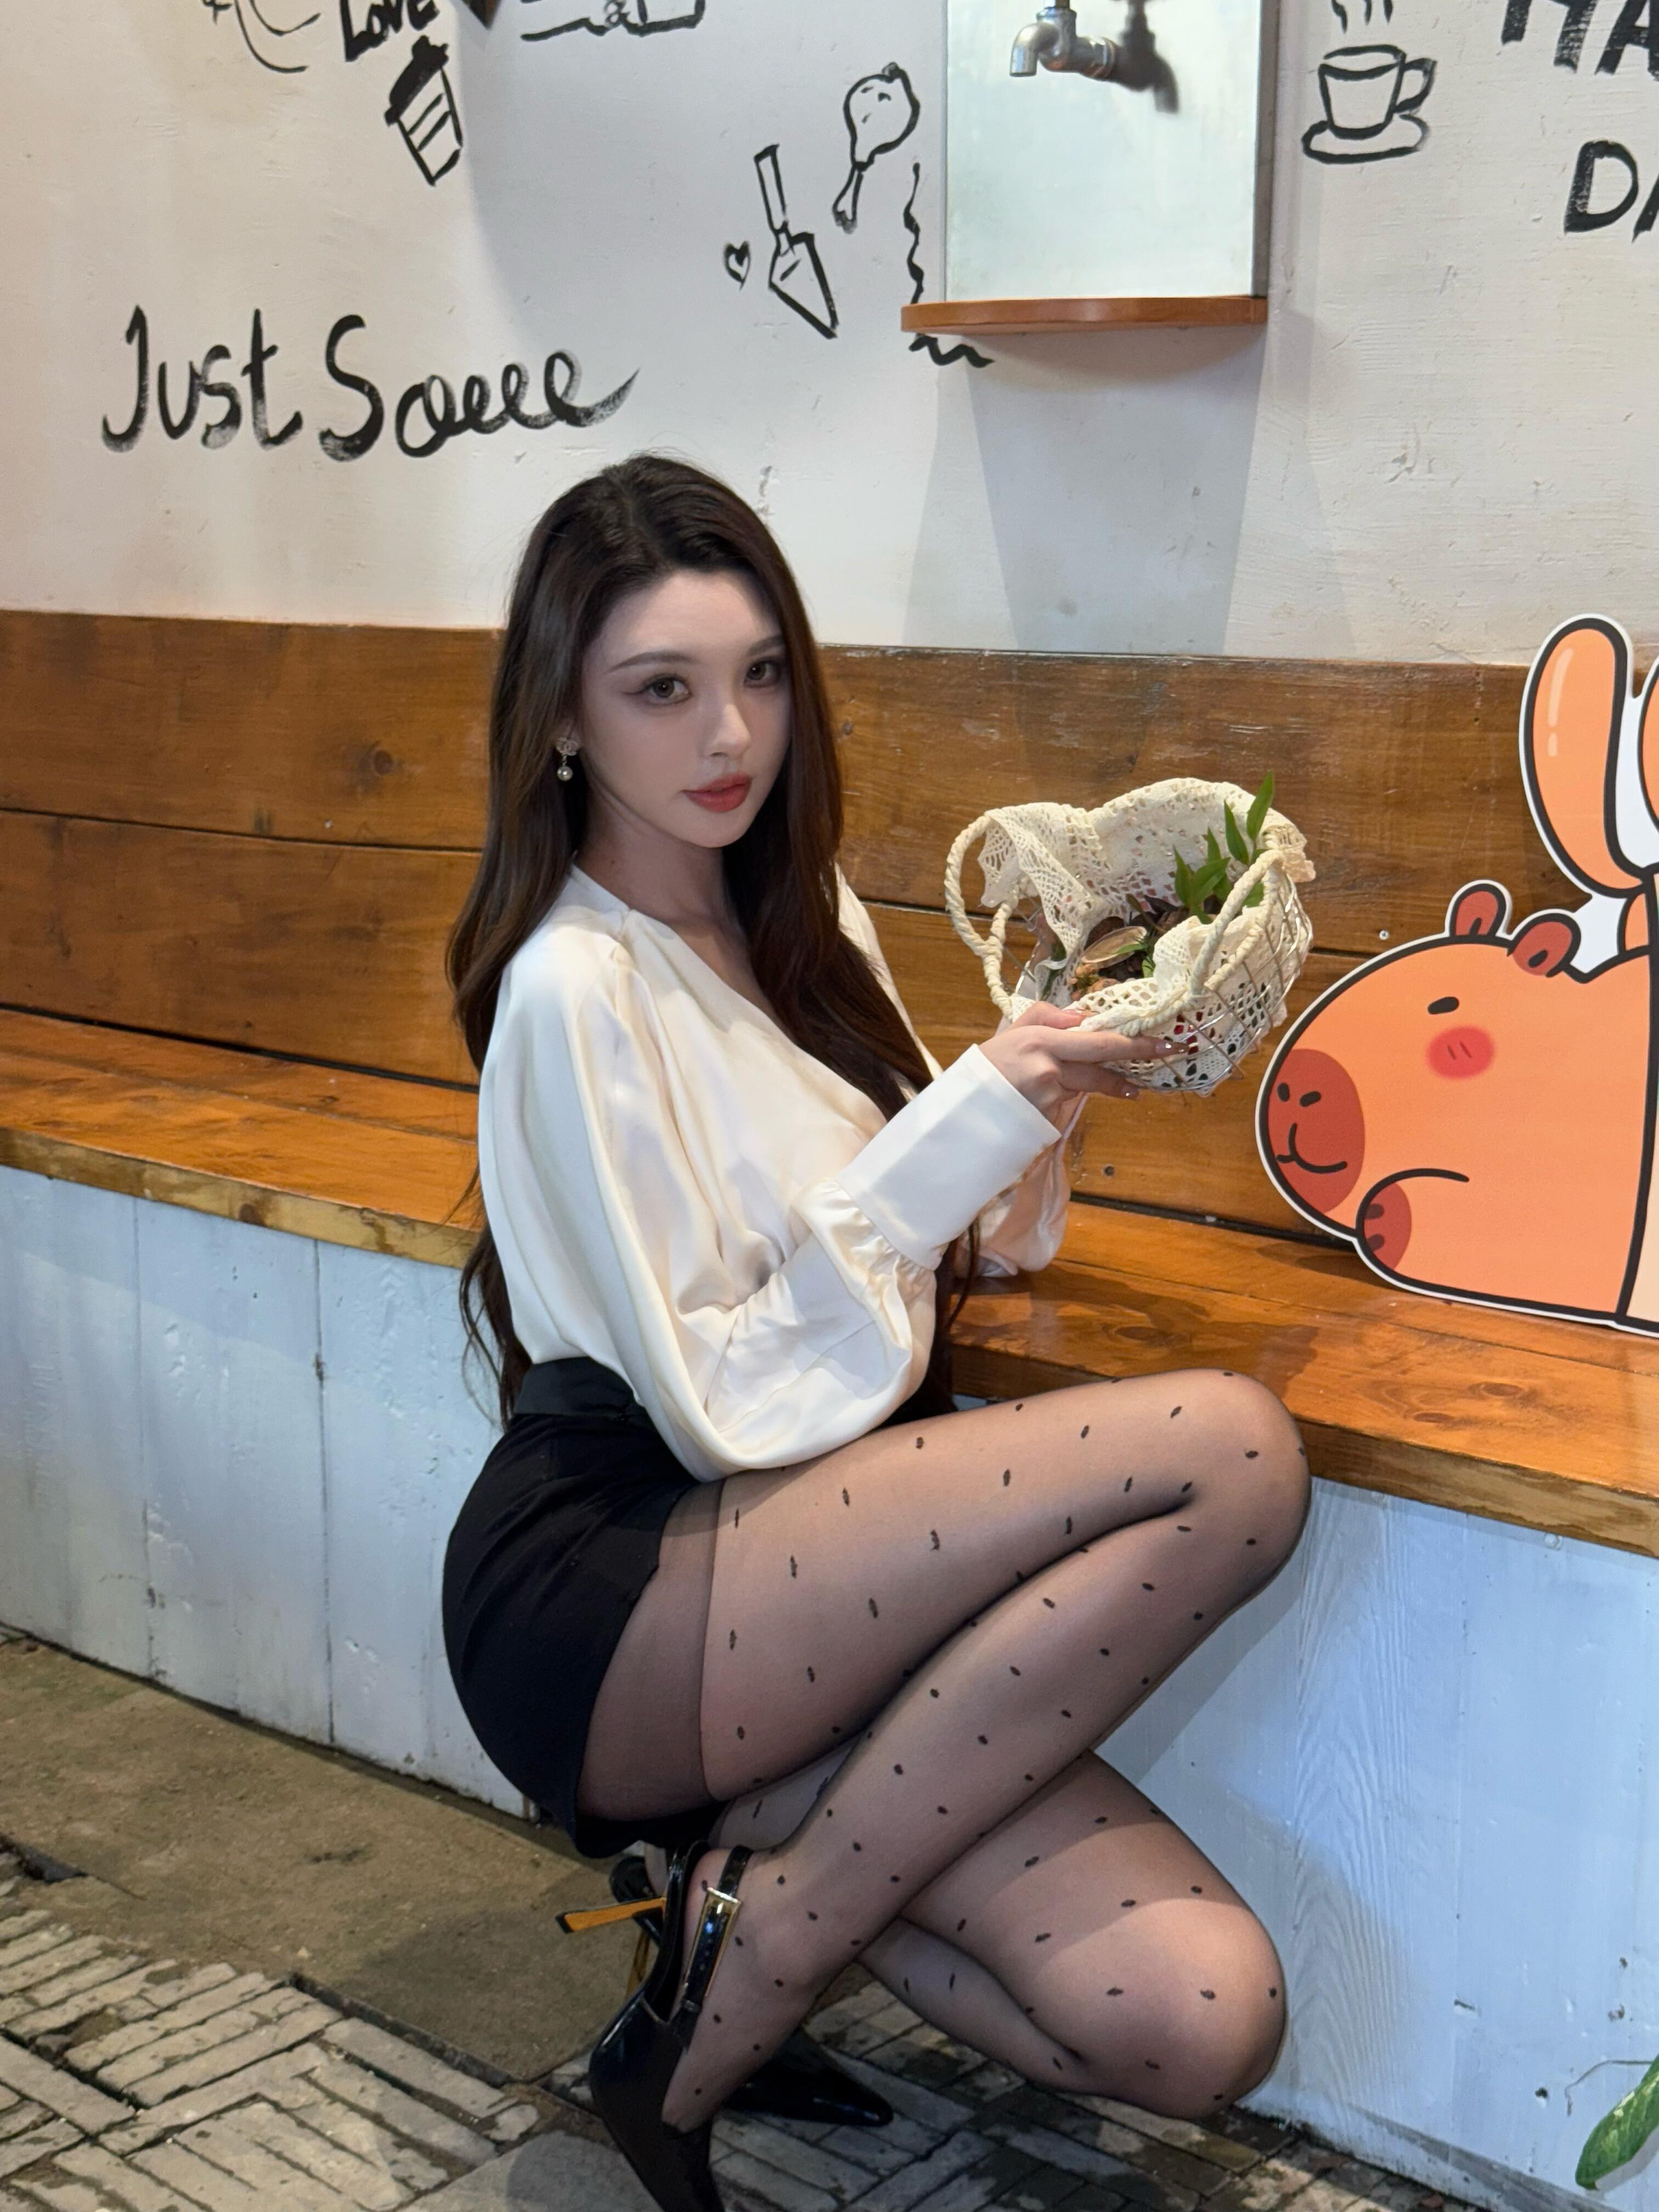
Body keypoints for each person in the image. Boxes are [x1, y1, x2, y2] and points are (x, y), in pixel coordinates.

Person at [442, 455, 1311, 2212]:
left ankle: (727, 1909)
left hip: (822, 1568)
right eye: (663, 689)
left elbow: (951, 1248)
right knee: (1234, 1453)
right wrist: (970, 1112)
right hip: (629, 1584)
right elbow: (716, 1402)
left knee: (1203, 2018)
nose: (729, 735)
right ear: (563, 721)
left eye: (761, 673)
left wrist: (1051, 1074)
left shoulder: (805, 914)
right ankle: (747, 1979)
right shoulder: (572, 987)